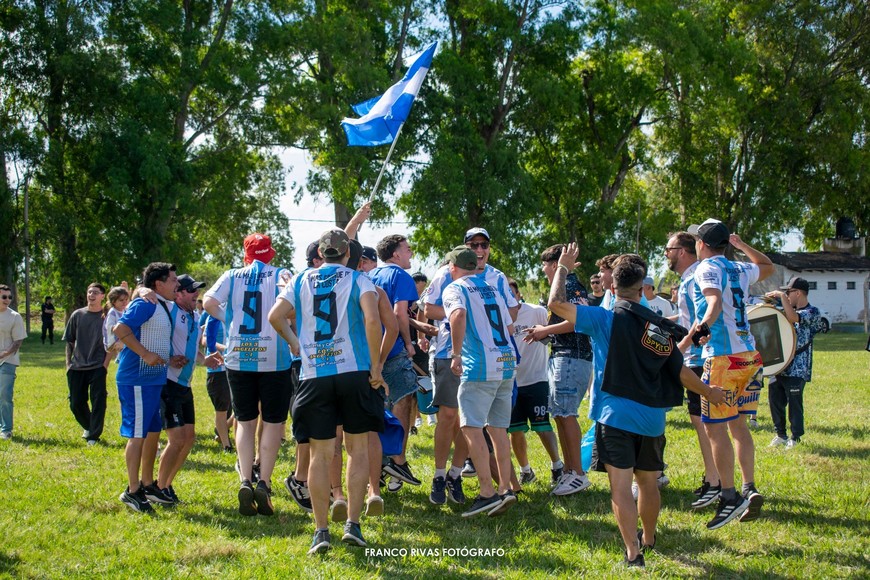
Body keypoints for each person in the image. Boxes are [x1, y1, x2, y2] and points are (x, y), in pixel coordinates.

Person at [549, 245, 725, 567]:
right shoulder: (657, 325)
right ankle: (650, 536)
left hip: (614, 417)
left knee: (620, 486)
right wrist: (708, 392)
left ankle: (633, 552)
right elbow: (680, 371)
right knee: (647, 482)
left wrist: (563, 267)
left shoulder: (604, 318)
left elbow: (555, 304)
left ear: (612, 287)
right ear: (642, 286)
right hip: (652, 420)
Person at [268, 228, 384, 554]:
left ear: (321, 253)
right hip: (354, 371)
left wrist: (296, 347)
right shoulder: (360, 279)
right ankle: (353, 524)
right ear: (348, 254)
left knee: (320, 455)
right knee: (357, 450)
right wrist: (375, 366)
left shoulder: (302, 278)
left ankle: (321, 531)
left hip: (314, 373)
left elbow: (275, 316)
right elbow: (373, 321)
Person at [688, 219, 774, 529]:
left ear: (702, 244)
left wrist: (703, 327)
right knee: (738, 424)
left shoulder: (706, 267)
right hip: (749, 357)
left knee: (714, 428)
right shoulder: (739, 267)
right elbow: (766, 266)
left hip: (723, 358)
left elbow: (712, 302)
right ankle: (749, 487)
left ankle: (729, 496)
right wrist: (742, 247)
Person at [203, 233, 294, 516]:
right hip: (274, 358)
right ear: (270, 254)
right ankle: (263, 480)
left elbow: (207, 301)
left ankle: (245, 478)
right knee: (274, 421)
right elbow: (292, 307)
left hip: (239, 356)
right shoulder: (282, 273)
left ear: (246, 254)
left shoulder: (232, 275)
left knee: (244, 421)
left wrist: (228, 318)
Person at [442, 246, 519, 517]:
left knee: (472, 428)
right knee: (499, 431)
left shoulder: (455, 288)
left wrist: (455, 354)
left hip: (481, 366)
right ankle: (506, 489)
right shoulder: (493, 287)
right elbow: (509, 327)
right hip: (506, 363)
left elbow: (458, 315)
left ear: (453, 267)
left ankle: (487, 492)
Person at [523, 244, 593, 494]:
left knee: (567, 414)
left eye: (544, 265)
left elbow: (577, 321)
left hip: (572, 356)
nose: (543, 270)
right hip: (564, 355)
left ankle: (578, 474)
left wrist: (545, 331)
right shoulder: (566, 285)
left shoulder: (570, 285)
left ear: (555, 264)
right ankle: (569, 471)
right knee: (560, 414)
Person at [112, 263, 177, 512]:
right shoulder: (145, 303)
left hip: (152, 379)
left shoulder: (158, 304)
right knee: (137, 435)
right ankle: (132, 491)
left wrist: (167, 358)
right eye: (172, 280)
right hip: (136, 379)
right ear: (158, 284)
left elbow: (153, 335)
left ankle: (147, 484)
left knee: (150, 432)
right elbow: (120, 329)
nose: (177, 285)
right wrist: (146, 354)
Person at [666, 232, 720, 509]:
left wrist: (683, 346)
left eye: (669, 249)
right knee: (704, 422)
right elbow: (690, 315)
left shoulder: (696, 275)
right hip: (697, 357)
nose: (666, 254)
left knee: (705, 424)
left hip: (699, 358)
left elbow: (703, 316)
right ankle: (715, 478)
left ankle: (716, 481)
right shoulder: (692, 276)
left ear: (684, 250)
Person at [156, 274, 221, 504]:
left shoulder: (195, 315)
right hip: (168, 382)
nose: (197, 295)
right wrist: (168, 358)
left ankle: (166, 485)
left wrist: (206, 360)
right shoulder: (168, 310)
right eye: (192, 291)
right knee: (176, 439)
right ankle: (158, 487)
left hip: (185, 385)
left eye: (197, 291)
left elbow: (193, 351)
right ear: (178, 293)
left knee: (189, 438)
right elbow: (154, 339)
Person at [369, 234, 422, 488]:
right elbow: (400, 312)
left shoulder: (370, 276)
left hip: (370, 353)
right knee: (402, 403)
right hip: (392, 351)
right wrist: (409, 343)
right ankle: (397, 461)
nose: (410, 252)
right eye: (407, 249)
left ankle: (379, 468)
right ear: (395, 254)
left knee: (378, 410)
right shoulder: (401, 276)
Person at [507, 279, 562, 487]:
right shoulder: (500, 317)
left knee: (542, 425)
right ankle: (525, 471)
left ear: (519, 294)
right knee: (515, 429)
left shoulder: (537, 311)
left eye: (512, 293)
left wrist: (541, 334)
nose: (509, 298)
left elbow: (554, 337)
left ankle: (557, 466)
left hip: (536, 379)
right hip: (510, 382)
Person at [765, 277, 825, 449]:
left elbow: (793, 318)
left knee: (795, 404)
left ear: (798, 293)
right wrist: (771, 301)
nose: (786, 295)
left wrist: (781, 298)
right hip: (781, 365)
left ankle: (795, 437)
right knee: (775, 399)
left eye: (788, 292)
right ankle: (780, 434)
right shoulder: (786, 308)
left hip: (798, 368)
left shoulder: (813, 312)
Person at [62, 283, 110, 446]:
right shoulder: (77, 315)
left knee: (98, 401)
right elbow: (69, 341)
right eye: (89, 291)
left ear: (103, 296)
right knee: (75, 402)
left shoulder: (107, 316)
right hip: (77, 366)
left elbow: (112, 341)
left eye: (96, 292)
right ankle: (90, 427)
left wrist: (105, 364)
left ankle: (93, 436)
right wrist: (68, 364)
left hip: (98, 366)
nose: (91, 295)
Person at [0, 285, 26, 440]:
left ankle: (6, 429)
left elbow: (18, 341)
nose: (7, 300)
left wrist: (3, 354)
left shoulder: (14, 316)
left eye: (10, 297)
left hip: (7, 361)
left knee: (4, 395)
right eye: (4, 297)